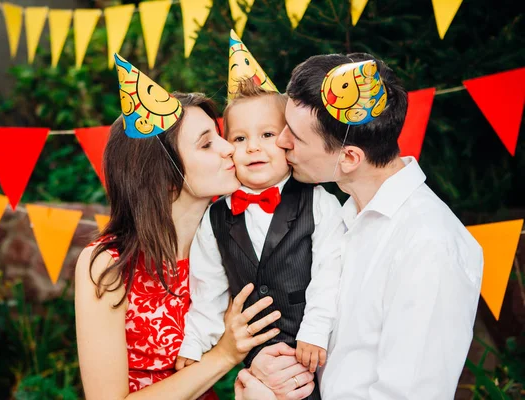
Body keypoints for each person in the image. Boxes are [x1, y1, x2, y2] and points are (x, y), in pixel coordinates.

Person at [238, 53, 484, 399]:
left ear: (349, 158)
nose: (279, 141)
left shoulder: (429, 245)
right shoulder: (340, 213)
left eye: (295, 135)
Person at [74, 54, 283, 400]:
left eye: (219, 136)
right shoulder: (108, 264)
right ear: (164, 176)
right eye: (206, 143)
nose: (230, 148)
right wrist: (224, 355)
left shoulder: (236, 235)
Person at [175, 79, 344, 400]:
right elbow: (207, 290)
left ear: (289, 141)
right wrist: (195, 343)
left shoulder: (320, 201)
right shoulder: (214, 218)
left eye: (267, 135)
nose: (253, 147)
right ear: (228, 148)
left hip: (318, 350)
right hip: (259, 366)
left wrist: (315, 331)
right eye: (240, 138)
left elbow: (330, 273)